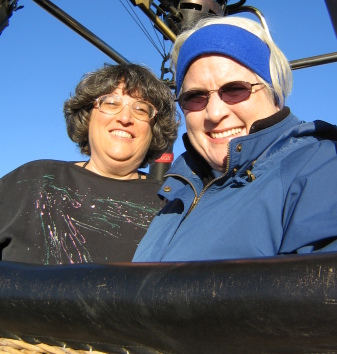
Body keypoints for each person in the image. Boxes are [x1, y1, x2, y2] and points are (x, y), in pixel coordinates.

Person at [133, 16, 337, 262]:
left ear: (275, 93)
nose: (214, 113)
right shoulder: (176, 196)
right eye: (195, 97)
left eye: (234, 89)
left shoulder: (320, 168)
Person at [0, 63, 178, 264]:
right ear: (87, 116)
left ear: (154, 128)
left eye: (141, 109)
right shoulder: (32, 181)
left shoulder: (170, 207)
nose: (125, 117)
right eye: (111, 103)